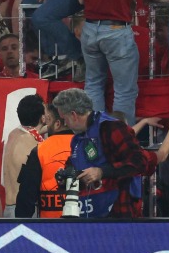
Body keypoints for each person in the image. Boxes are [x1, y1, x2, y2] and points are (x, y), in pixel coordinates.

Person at [77, 0, 159, 125]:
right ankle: (119, 139)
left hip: (89, 29)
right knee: (124, 89)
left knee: (93, 84)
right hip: (115, 30)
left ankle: (96, 135)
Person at [52, 88, 156, 218]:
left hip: (119, 211)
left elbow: (139, 162)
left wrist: (101, 172)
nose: (65, 124)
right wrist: (65, 178)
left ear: (73, 115)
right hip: (89, 212)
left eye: (64, 118)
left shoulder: (110, 127)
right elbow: (76, 169)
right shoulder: (77, 140)